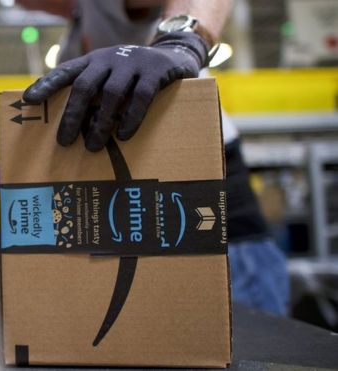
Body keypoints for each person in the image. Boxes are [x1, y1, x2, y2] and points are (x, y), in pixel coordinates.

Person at [18, 0, 289, 315]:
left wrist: (182, 39)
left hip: (196, 178)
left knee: (250, 335)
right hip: (137, 188)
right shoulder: (82, 15)